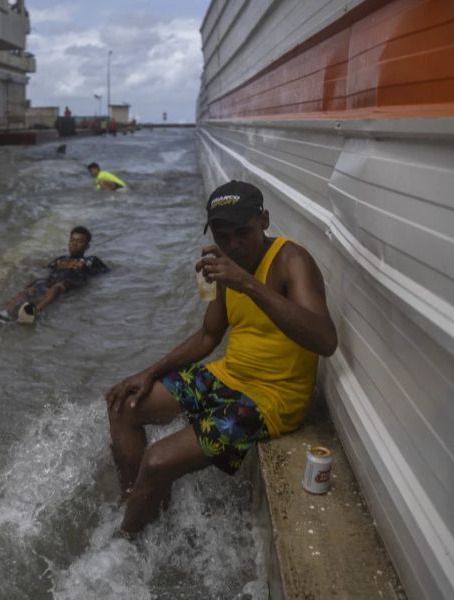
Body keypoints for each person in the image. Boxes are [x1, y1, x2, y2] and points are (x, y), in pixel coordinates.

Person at [104, 180, 337, 535]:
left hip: (273, 399)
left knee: (157, 460)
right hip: (228, 375)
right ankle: (139, 505)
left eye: (241, 232)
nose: (232, 244)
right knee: (124, 406)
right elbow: (208, 336)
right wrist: (149, 372)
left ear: (264, 220)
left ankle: (127, 542)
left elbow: (325, 339)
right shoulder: (227, 265)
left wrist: (248, 283)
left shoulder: (291, 260)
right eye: (221, 235)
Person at [0, 226, 109, 324]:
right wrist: (12, 263)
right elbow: (44, 265)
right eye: (72, 240)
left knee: (57, 287)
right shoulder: (60, 259)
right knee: (29, 289)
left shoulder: (91, 260)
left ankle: (34, 313)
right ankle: (3, 314)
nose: (74, 244)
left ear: (87, 246)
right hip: (50, 282)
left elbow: (105, 274)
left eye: (79, 242)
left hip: (68, 283)